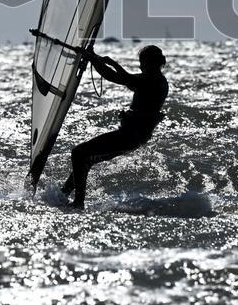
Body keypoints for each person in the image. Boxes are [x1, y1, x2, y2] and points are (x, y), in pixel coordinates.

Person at [61, 44, 169, 209]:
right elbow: (120, 78)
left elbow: (120, 77)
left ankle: (78, 202)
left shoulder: (153, 81)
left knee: (79, 153)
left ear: (153, 63)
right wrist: (97, 59)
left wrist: (99, 60)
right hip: (133, 136)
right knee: (86, 160)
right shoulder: (153, 80)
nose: (140, 66)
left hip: (130, 136)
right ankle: (64, 195)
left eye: (142, 63)